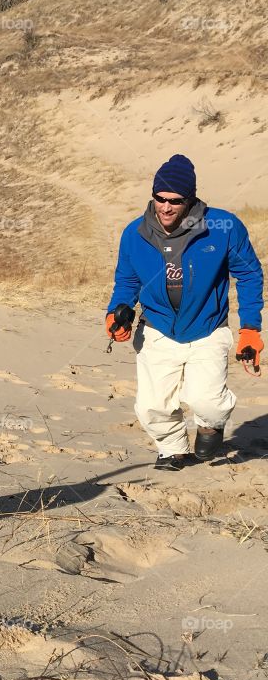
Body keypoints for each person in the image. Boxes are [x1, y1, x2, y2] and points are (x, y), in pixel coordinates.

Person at [106, 154, 264, 470]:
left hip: (207, 327)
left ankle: (211, 425)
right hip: (157, 328)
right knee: (152, 406)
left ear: (189, 200)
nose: (165, 207)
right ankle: (173, 449)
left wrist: (250, 327)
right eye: (159, 199)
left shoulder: (223, 227)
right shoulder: (134, 233)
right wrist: (116, 312)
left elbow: (248, 274)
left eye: (175, 201)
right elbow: (127, 280)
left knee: (208, 401)